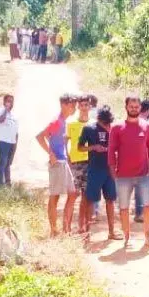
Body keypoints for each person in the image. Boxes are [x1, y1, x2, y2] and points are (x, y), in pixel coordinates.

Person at [108, 95, 149, 248]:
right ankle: (126, 237)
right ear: (126, 107)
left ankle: (147, 235)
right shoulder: (117, 128)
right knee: (124, 207)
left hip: (143, 175)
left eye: (136, 107)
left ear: (140, 108)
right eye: (131, 106)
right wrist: (113, 170)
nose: (134, 109)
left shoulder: (147, 127)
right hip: (123, 176)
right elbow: (111, 151)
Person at [36, 93, 79, 237]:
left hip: (63, 161)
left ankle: (66, 228)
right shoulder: (57, 121)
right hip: (57, 163)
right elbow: (40, 136)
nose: (73, 108)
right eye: (70, 105)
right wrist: (51, 153)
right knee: (55, 196)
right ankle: (54, 230)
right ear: (63, 105)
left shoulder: (64, 122)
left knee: (72, 194)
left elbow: (50, 137)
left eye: (74, 105)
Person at [78, 106, 122, 241]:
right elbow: (79, 147)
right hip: (95, 169)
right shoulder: (89, 129)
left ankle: (111, 232)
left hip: (110, 170)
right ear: (98, 119)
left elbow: (120, 146)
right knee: (90, 200)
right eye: (104, 123)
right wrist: (93, 147)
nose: (107, 126)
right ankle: (87, 232)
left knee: (110, 200)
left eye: (108, 123)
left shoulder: (115, 129)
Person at [66, 94, 92, 235]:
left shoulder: (93, 124)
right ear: (78, 107)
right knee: (72, 194)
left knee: (86, 195)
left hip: (90, 162)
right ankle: (67, 228)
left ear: (90, 107)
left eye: (86, 105)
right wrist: (67, 157)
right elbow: (66, 141)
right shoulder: (71, 123)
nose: (83, 108)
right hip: (75, 163)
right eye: (81, 105)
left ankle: (82, 225)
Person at [0, 94, 18, 187]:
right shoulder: (0, 111)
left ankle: (8, 183)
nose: (10, 103)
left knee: (8, 164)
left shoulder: (14, 115)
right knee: (3, 162)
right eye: (8, 101)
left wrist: (15, 143)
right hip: (3, 142)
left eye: (12, 101)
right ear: (4, 102)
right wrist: (6, 109)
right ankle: (0, 184)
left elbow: (16, 131)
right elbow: (1, 120)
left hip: (12, 143)